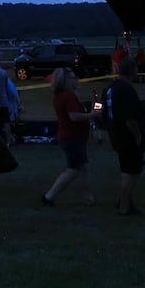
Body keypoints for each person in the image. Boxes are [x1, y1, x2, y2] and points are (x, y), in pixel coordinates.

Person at [40, 69, 98, 207]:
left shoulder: (62, 95)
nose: (76, 79)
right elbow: (74, 116)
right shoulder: (68, 96)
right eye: (73, 78)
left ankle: (88, 198)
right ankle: (49, 196)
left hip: (70, 136)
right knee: (73, 169)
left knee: (82, 168)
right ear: (65, 81)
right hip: (72, 137)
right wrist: (92, 115)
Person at [104, 58, 145, 214]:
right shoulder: (126, 90)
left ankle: (126, 201)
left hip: (116, 134)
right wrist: (137, 136)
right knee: (131, 171)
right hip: (127, 137)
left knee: (128, 170)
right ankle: (124, 206)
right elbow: (130, 118)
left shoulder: (111, 88)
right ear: (133, 71)